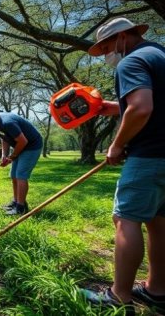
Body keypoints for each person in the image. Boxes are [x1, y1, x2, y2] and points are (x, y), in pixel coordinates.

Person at [80, 17, 165, 314]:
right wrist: (110, 108)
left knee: (126, 218)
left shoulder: (131, 62)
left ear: (121, 38)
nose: (106, 56)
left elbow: (141, 107)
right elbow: (151, 103)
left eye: (106, 49)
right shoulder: (159, 55)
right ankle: (157, 289)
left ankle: (119, 296)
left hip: (149, 155)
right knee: (158, 222)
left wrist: (117, 145)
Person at [0, 109, 42, 215]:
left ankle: (21, 208)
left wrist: (12, 156)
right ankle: (16, 202)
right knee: (13, 175)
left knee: (21, 175)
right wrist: (4, 155)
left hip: (31, 146)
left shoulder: (7, 122)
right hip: (19, 145)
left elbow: (23, 141)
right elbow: (5, 138)